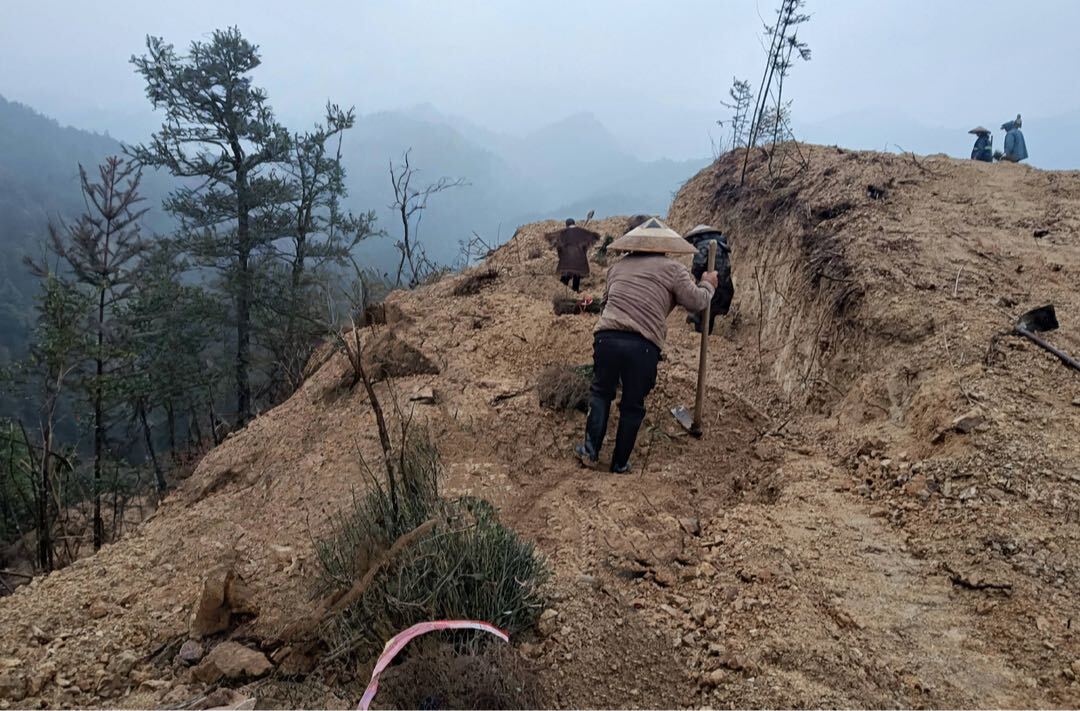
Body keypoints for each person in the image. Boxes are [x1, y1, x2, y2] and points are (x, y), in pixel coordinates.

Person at [574, 218, 718, 474]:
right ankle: (619, 463)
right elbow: (696, 302)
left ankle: (590, 451)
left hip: (606, 337)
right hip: (643, 344)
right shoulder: (673, 270)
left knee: (600, 393)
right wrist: (708, 284)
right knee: (632, 403)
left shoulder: (617, 268)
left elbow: (607, 301)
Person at [683, 224, 734, 335]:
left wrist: (697, 275)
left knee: (701, 309)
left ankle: (700, 335)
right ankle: (706, 334)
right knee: (709, 312)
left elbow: (698, 266)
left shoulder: (702, 245)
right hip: (724, 285)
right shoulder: (721, 245)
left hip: (711, 284)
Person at [546, 218, 599, 292]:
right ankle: (575, 291)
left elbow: (555, 242)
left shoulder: (563, 233)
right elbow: (594, 237)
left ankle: (563, 291)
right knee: (577, 275)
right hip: (579, 259)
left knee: (566, 275)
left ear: (567, 224)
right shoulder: (582, 232)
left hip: (567, 261)